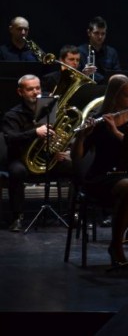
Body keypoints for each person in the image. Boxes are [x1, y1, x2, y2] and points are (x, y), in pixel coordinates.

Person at [70, 75, 128, 266]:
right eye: (127, 95)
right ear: (115, 96)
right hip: (102, 176)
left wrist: (116, 132)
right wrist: (81, 137)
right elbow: (76, 156)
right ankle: (116, 245)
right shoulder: (99, 121)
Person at [2, 74, 74, 232]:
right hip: (21, 159)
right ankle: (17, 217)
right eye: (30, 89)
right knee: (16, 172)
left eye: (38, 88)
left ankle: (72, 213)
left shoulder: (49, 109)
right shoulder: (12, 115)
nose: (35, 92)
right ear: (20, 92)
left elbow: (58, 134)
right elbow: (11, 139)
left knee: (75, 167)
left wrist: (60, 150)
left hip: (46, 158)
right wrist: (35, 132)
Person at [77, 16, 121, 84]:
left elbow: (117, 74)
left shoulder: (112, 52)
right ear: (89, 33)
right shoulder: (80, 51)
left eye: (103, 34)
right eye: (96, 33)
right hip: (87, 88)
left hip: (107, 88)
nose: (100, 37)